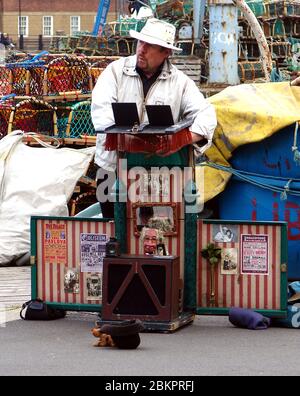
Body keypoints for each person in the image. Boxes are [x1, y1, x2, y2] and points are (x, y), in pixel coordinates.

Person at [91, 18, 217, 217]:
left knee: (157, 230)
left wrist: (182, 139)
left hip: (160, 173)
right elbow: (101, 112)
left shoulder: (180, 83)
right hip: (111, 168)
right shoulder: (114, 73)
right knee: (113, 227)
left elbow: (207, 115)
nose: (142, 49)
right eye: (141, 43)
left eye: (150, 46)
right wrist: (131, 140)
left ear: (165, 52)